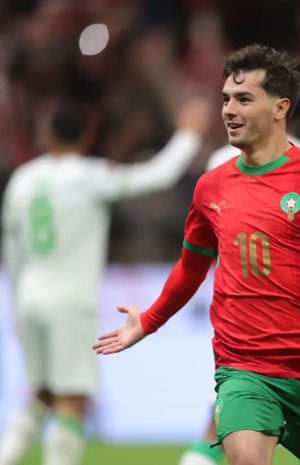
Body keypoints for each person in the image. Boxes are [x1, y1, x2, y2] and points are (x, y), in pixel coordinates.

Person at [93, 44, 300, 465]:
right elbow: (191, 269)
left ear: (280, 107)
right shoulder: (211, 187)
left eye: (244, 99)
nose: (229, 111)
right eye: (226, 99)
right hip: (243, 368)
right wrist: (149, 320)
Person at [0, 97, 209, 465]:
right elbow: (158, 176)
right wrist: (188, 136)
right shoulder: (89, 177)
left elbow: (12, 249)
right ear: (86, 136)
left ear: (48, 135)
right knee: (71, 400)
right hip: (69, 301)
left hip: (29, 298)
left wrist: (16, 305)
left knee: (41, 393)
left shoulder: (22, 180)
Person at [179, 138, 300, 465]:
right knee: (226, 426)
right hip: (249, 332)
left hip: (290, 334)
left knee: (221, 428)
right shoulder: (222, 165)